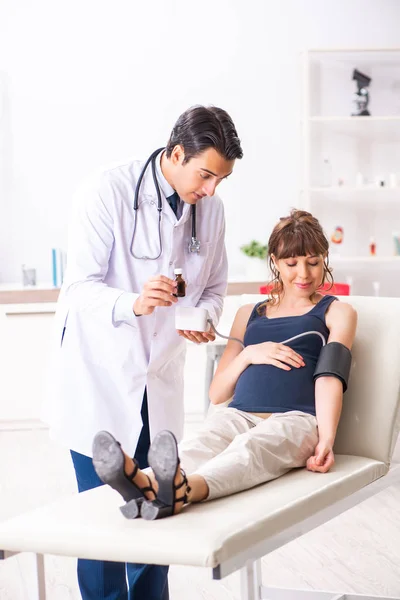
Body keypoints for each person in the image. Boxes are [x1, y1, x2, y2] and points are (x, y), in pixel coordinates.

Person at [42, 105, 243, 600]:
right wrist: (132, 303)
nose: (211, 189)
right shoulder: (106, 192)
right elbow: (77, 290)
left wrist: (202, 319)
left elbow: (214, 288)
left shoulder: (210, 210)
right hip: (101, 377)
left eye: (221, 179)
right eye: (206, 175)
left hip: (161, 378)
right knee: (100, 519)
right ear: (176, 153)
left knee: (160, 509)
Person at [92, 209, 357, 521]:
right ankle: (145, 482)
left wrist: (326, 438)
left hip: (296, 420)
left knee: (250, 449)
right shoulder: (249, 313)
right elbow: (218, 393)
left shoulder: (336, 312)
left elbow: (329, 377)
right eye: (292, 263)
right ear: (274, 260)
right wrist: (248, 354)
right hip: (238, 413)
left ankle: (182, 490)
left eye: (313, 262)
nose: (303, 273)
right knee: (200, 444)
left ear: (325, 259)